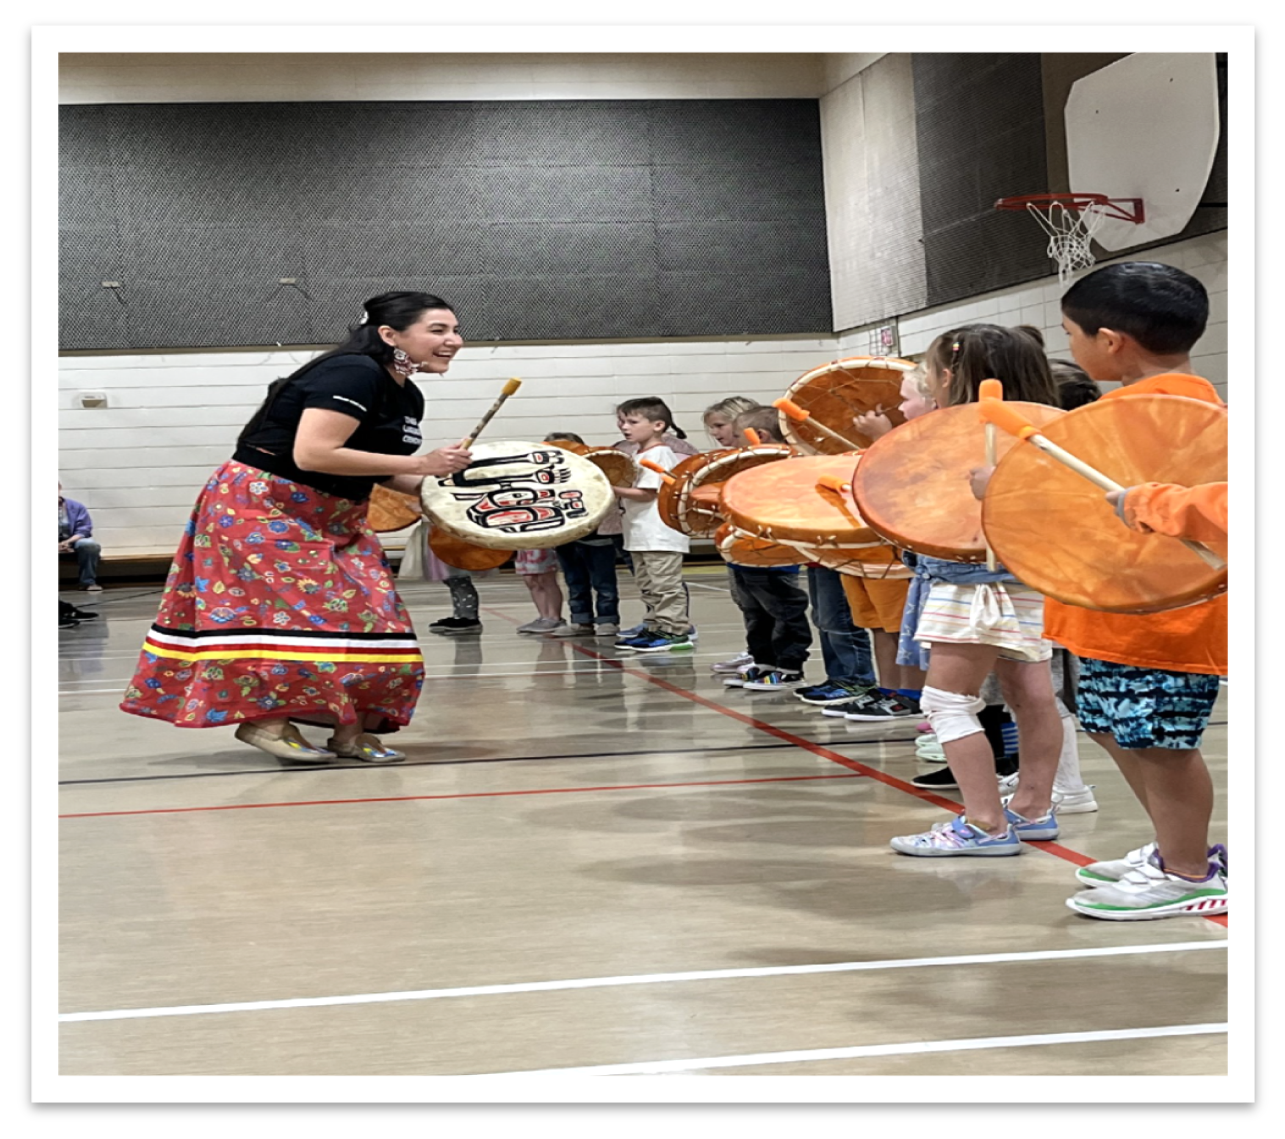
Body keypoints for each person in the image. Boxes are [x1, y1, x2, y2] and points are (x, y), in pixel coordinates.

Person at [120, 291, 473, 764]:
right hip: (266, 510)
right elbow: (314, 453)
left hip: (338, 515)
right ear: (390, 335)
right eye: (438, 330)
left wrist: (440, 495)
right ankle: (266, 722)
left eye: (454, 329)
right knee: (300, 622)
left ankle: (353, 728)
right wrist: (423, 462)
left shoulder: (407, 392)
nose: (454, 340)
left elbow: (377, 469)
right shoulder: (352, 373)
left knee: (380, 619)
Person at [1046, 262, 1228, 919]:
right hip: (1109, 610)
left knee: (1160, 744)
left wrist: (1004, 495)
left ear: (1109, 339)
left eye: (1070, 335)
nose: (1070, 348)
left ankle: (1187, 871)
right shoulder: (1126, 413)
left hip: (1158, 616)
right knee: (1117, 730)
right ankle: (1176, 847)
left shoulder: (1169, 418)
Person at [888, 323, 1065, 856]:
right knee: (1031, 695)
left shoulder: (955, 435)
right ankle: (1034, 808)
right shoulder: (1052, 430)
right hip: (1032, 576)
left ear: (948, 375)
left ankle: (984, 822)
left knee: (946, 701)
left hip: (969, 580)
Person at [718, 407, 812, 691]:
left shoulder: (788, 468)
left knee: (784, 610)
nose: (733, 442)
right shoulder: (747, 468)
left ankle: (790, 668)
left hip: (774, 557)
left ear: (758, 436)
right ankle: (764, 663)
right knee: (755, 612)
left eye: (737, 436)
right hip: (744, 555)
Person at [610, 403, 700, 641]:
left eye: (632, 422)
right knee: (648, 585)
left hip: (659, 533)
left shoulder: (659, 453)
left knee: (665, 586)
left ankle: (674, 630)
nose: (624, 427)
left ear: (658, 425)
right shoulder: (636, 454)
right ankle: (653, 626)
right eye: (622, 421)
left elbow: (648, 492)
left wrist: (609, 489)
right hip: (639, 532)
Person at [700, 397, 766, 675]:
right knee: (744, 599)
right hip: (735, 541)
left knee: (767, 603)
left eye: (720, 426)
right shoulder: (730, 460)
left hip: (762, 546)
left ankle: (769, 658)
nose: (716, 434)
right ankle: (755, 651)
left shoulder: (763, 459)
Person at [543, 432, 621, 638]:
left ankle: (608, 619)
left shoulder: (593, 474)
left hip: (597, 535)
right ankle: (581, 619)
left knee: (604, 581)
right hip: (565, 537)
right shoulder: (547, 480)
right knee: (574, 580)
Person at [59, 483, 104, 592]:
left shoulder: (76, 506)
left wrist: (67, 542)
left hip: (71, 540)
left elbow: (84, 529)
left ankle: (87, 582)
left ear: (59, 488)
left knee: (89, 545)